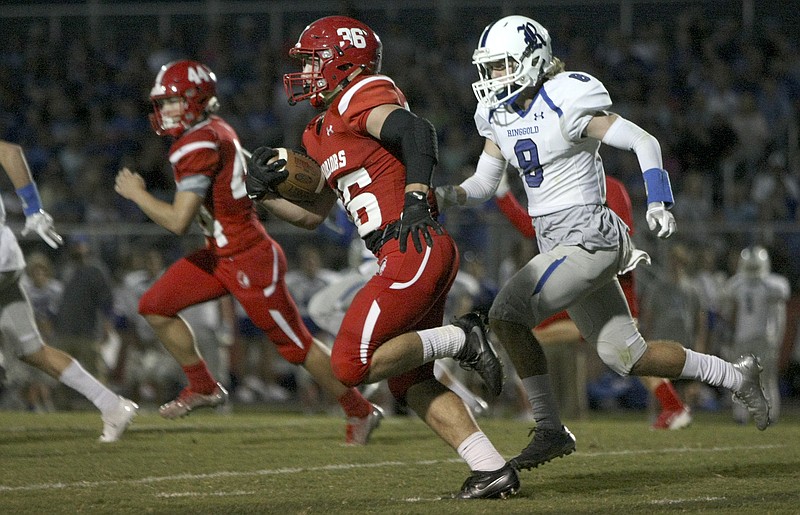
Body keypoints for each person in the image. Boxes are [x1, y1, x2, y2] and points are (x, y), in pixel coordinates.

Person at [434, 15, 771, 472]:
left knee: (506, 314)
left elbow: (642, 141)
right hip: (557, 242)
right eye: (489, 68)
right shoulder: (497, 113)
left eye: (501, 66)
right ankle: (737, 375)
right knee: (627, 355)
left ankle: (550, 427)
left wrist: (658, 201)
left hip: (590, 234)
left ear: (532, 60)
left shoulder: (565, 98)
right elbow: (484, 181)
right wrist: (447, 195)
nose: (492, 78)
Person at [245, 16, 518, 499]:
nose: (307, 73)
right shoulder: (318, 132)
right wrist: (262, 195)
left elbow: (417, 133)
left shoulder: (362, 93)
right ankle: (491, 468)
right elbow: (314, 216)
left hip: (410, 244)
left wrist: (415, 196)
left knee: (350, 365)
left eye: (313, 61)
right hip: (402, 252)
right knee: (408, 382)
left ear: (343, 61)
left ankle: (462, 335)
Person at [113, 59, 382, 445]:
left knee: (296, 346)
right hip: (220, 253)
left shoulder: (199, 141)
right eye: (164, 103)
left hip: (248, 257)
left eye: (172, 101)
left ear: (195, 100)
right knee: (155, 305)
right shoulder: (213, 130)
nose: (166, 110)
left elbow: (178, 221)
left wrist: (138, 194)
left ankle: (360, 410)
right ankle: (203, 386)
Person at [495, 174, 692, 429]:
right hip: (582, 272)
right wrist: (503, 196)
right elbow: (530, 226)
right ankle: (674, 404)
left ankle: (688, 394)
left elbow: (622, 231)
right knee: (627, 352)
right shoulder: (574, 185)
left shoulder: (604, 185)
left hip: (606, 272)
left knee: (627, 350)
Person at [0, 139, 136, 442]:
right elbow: (10, 153)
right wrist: (33, 210)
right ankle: (113, 405)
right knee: (34, 352)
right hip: (7, 261)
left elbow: (10, 153)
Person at [722, 245, 789, 425]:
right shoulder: (773, 285)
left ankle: (743, 416)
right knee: (763, 380)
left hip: (751, 338)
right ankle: (766, 416)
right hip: (759, 338)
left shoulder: (737, 284)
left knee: (748, 379)